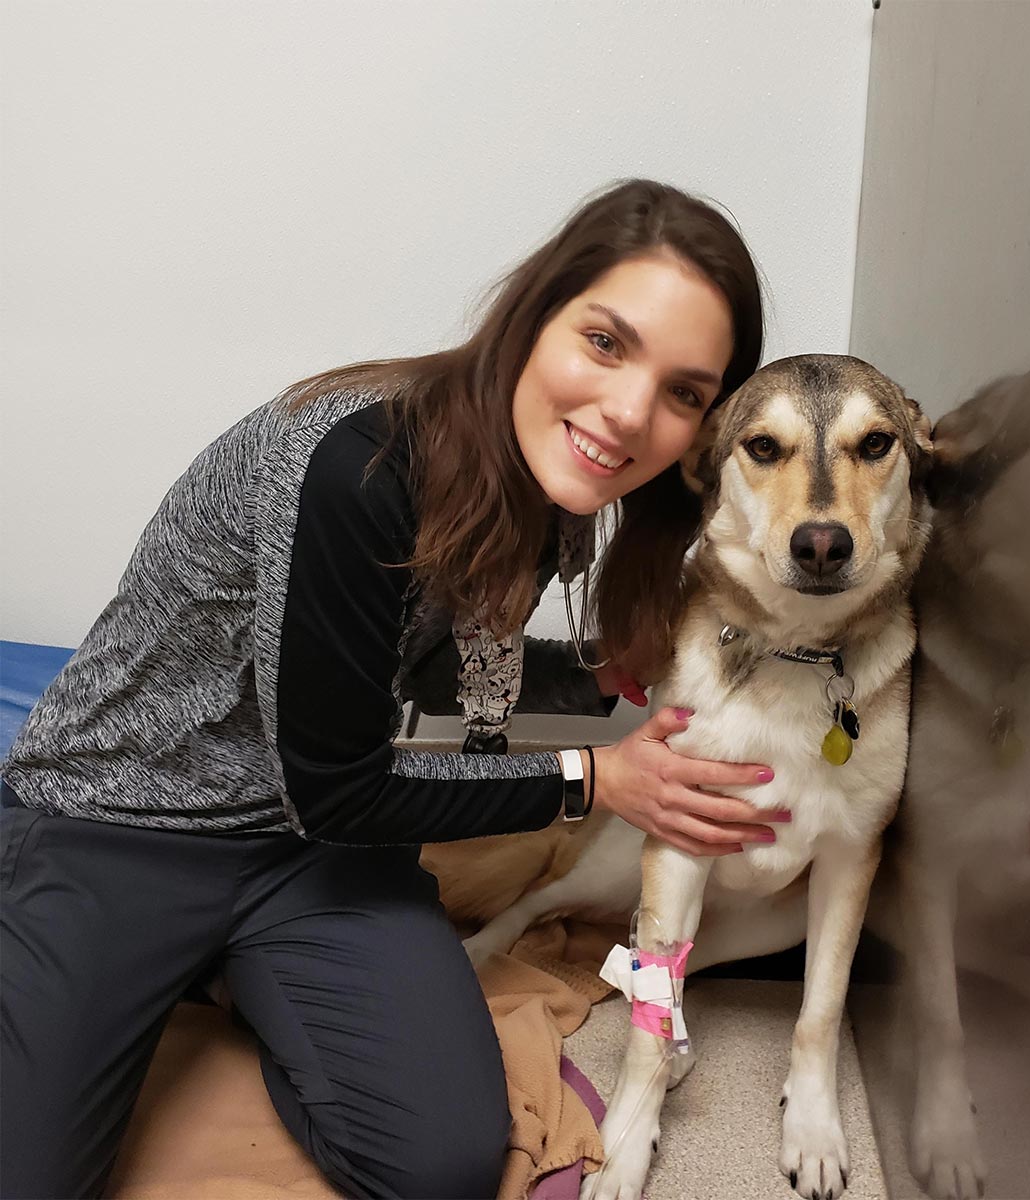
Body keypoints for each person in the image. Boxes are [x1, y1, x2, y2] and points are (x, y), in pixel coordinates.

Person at [0, 179, 789, 1200]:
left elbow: (415, 667)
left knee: (442, 1163)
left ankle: (237, 970)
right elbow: (339, 782)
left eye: (686, 392)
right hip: (125, 821)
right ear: (533, 315)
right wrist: (596, 777)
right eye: (605, 343)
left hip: (310, 850)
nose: (630, 413)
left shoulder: (555, 484)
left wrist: (589, 676)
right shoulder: (354, 467)